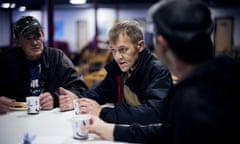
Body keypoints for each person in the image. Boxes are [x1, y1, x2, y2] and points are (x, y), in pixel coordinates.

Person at [81, 0, 240, 143]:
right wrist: (116, 131)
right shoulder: (226, 76)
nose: (117, 56)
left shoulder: (191, 98)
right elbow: (169, 133)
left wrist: (106, 115)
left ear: (161, 43)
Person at [62, 20, 173, 124]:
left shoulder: (158, 71)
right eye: (113, 50)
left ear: (140, 46)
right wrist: (78, 98)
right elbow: (101, 92)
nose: (117, 57)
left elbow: (154, 112)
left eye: (123, 49)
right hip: (126, 128)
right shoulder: (118, 68)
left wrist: (103, 113)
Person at [0, 16, 88, 114]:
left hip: (51, 117)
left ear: (43, 35)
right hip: (13, 118)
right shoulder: (6, 60)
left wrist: (56, 98)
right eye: (28, 38)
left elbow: (80, 87)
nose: (34, 43)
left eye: (37, 36)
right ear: (17, 42)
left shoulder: (56, 56)